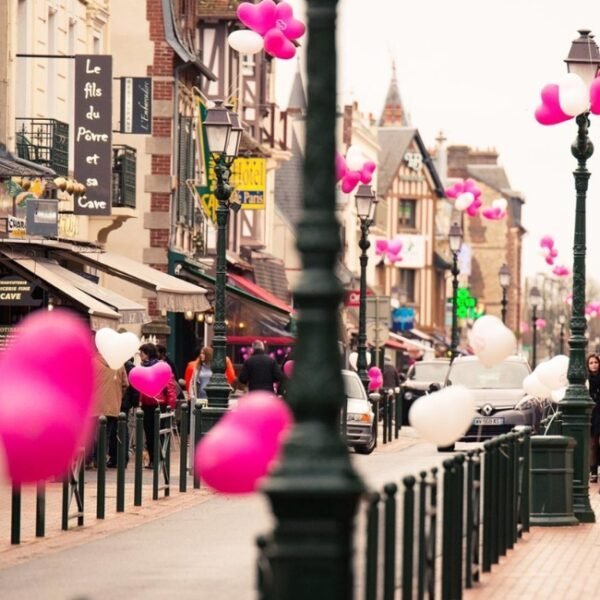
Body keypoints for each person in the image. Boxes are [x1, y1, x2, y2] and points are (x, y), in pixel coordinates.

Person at [138, 343, 178, 469]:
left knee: (158, 433)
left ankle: (159, 459)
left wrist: (170, 407)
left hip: (159, 405)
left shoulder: (162, 367)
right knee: (149, 434)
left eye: (142, 353)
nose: (140, 356)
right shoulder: (141, 368)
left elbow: (170, 387)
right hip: (146, 405)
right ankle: (152, 460)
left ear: (148, 354)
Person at [93, 352, 128, 468]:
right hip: (112, 406)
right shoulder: (119, 364)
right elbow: (125, 384)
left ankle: (91, 460)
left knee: (93, 434)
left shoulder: (92, 362)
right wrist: (118, 396)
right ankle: (101, 461)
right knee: (106, 434)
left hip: (94, 406)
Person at [587, 353, 600, 483]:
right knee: (593, 444)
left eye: (595, 362)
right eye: (591, 363)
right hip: (592, 414)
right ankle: (593, 472)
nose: (594, 365)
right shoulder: (586, 380)